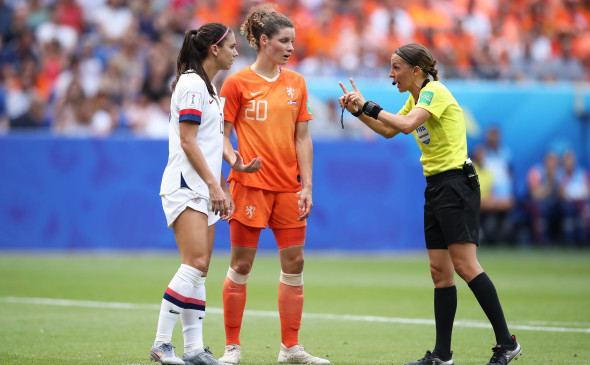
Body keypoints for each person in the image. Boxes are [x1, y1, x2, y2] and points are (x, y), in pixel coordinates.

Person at [338, 43, 521, 365]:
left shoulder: (434, 92)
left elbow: (405, 126)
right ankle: (442, 356)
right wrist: (358, 111)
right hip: (437, 186)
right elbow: (387, 130)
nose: (391, 74)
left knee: (465, 266)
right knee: (440, 273)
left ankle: (507, 344)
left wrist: (367, 104)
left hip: (455, 185)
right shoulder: (416, 98)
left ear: (416, 70)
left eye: (395, 67)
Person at [217, 5, 329, 365]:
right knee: (242, 265)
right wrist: (236, 162)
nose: (290, 47)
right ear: (264, 42)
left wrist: (307, 185)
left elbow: (302, 137)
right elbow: (221, 134)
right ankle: (232, 348)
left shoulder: (297, 83)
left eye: (293, 41)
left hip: (287, 189)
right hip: (249, 187)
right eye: (284, 41)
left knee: (295, 262)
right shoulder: (237, 83)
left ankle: (290, 348)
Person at [150, 23, 238, 365]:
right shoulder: (191, 83)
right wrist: (215, 185)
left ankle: (194, 349)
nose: (235, 51)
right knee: (195, 263)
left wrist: (229, 174)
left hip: (205, 187)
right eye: (230, 46)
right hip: (187, 186)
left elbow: (210, 144)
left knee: (200, 271)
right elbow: (187, 142)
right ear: (214, 49)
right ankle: (161, 343)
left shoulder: (210, 88)